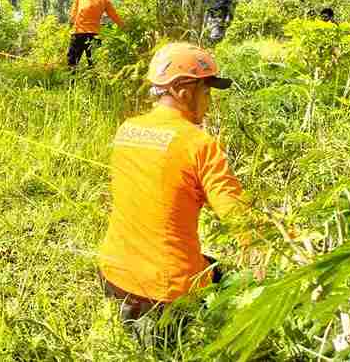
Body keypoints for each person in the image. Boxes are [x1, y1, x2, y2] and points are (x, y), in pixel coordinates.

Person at [98, 43, 245, 321]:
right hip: (166, 298)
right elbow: (238, 216)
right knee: (231, 280)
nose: (208, 101)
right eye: (206, 91)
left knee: (209, 264)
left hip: (113, 279)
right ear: (183, 91)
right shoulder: (199, 144)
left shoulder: (127, 129)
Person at [67, 0, 124, 69]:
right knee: (94, 64)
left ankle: (71, 83)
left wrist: (70, 29)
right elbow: (115, 16)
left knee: (72, 63)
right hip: (94, 34)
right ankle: (94, 83)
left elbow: (72, 16)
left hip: (79, 33)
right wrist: (124, 27)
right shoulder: (104, 0)